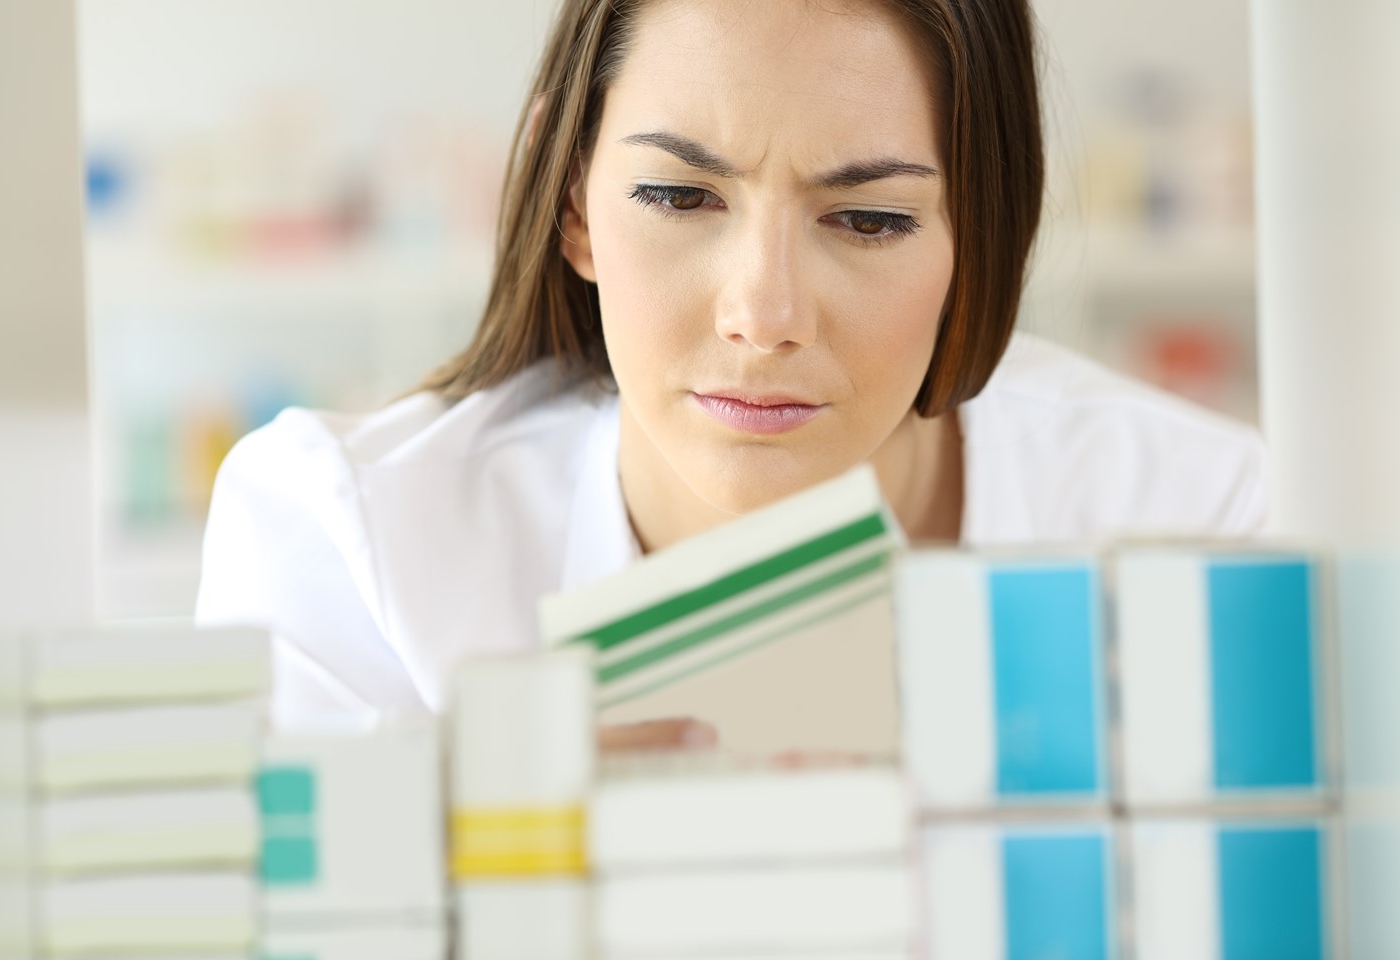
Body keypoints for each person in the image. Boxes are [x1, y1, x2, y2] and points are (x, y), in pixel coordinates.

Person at [196, 0, 1265, 731]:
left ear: (979, 236)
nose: (764, 316)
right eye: (678, 197)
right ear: (573, 201)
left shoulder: (1205, 522)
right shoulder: (355, 544)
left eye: (869, 218)